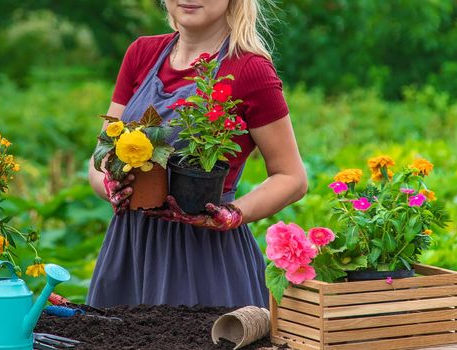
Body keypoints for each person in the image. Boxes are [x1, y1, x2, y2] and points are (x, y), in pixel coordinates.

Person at [87, 0, 307, 308]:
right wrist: (110, 186)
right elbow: (100, 157)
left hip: (204, 256)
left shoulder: (249, 69)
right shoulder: (141, 54)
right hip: (129, 253)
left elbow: (292, 177)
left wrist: (233, 214)